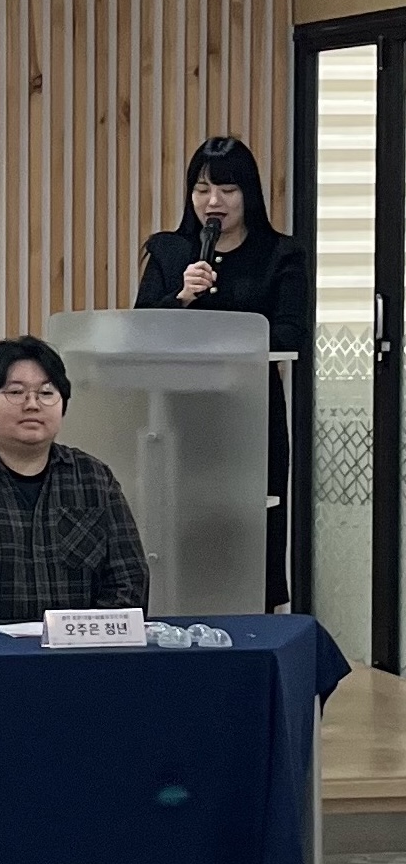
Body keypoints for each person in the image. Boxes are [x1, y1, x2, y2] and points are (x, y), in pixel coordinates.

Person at [135, 135, 308, 609]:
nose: (214, 201)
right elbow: (139, 330)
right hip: (176, 415)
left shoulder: (281, 254)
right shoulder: (170, 252)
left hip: (249, 416)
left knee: (249, 526)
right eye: (202, 189)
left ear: (249, 194)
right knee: (177, 523)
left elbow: (290, 334)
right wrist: (181, 297)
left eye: (228, 189)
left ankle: (253, 623)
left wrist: (225, 325)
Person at [0, 334, 148, 622]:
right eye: (16, 392)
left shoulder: (93, 478)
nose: (32, 404)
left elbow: (129, 580)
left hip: (82, 647)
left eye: (46, 393)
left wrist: (87, 635)